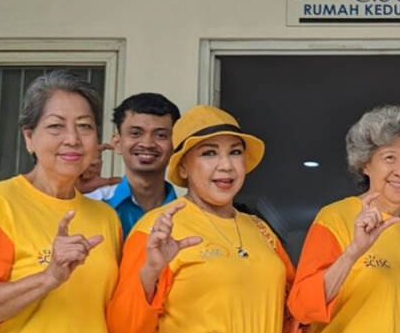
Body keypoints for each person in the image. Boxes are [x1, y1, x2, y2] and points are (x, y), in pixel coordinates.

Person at [0, 70, 121, 332]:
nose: (72, 139)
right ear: (29, 137)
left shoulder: (105, 217)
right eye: (56, 126)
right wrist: (48, 278)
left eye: (85, 126)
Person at [107, 105, 296, 333]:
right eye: (209, 153)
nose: (226, 165)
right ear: (184, 167)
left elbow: (295, 311)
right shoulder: (156, 229)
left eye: (235, 152)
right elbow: (122, 327)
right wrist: (150, 274)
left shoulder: (260, 228)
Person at [288, 105, 400, 333]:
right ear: (366, 164)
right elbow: (301, 308)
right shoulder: (335, 218)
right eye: (390, 157)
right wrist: (353, 253)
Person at [82, 93, 182, 237]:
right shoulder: (92, 202)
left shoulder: (188, 213)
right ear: (117, 143)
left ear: (175, 145)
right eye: (135, 133)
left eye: (160, 135)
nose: (147, 144)